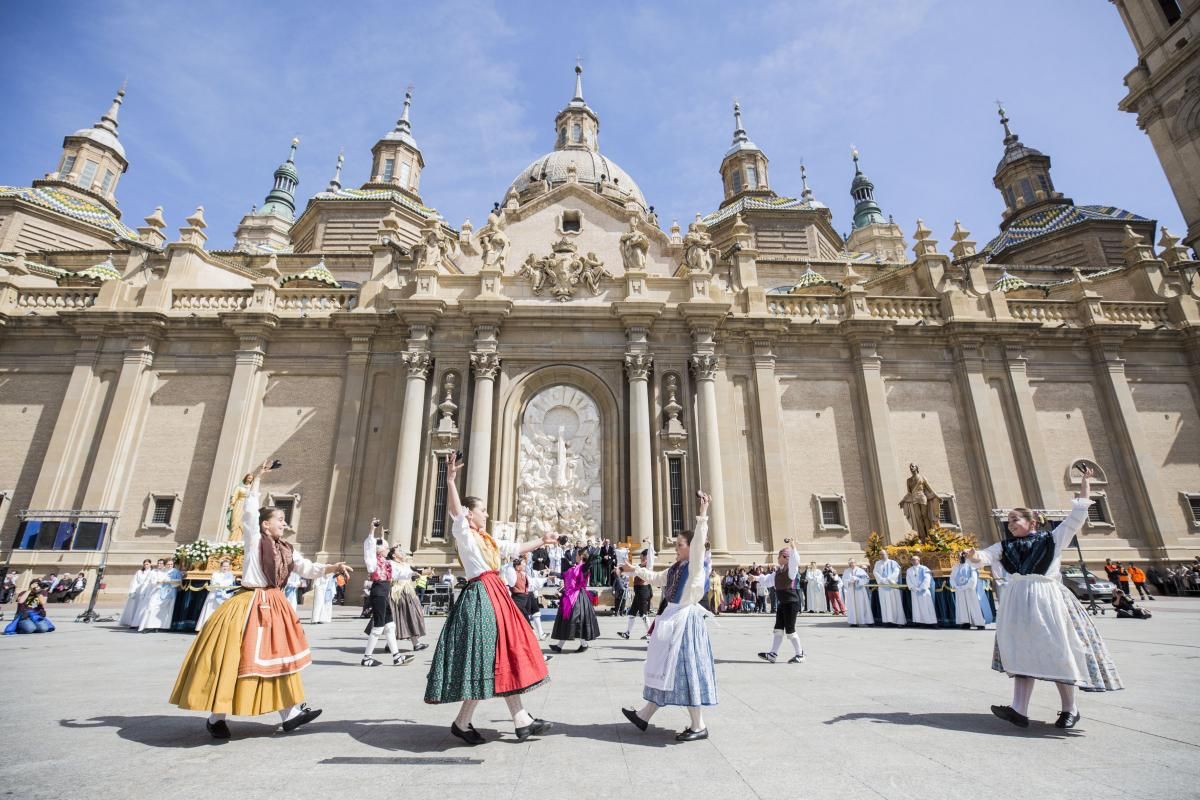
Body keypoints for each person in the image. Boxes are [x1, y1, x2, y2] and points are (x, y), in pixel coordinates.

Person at [169, 459, 354, 740]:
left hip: (274, 605)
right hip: (249, 606)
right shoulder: (255, 540)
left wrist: (334, 567)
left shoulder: (286, 549)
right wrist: (257, 478)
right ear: (265, 525)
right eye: (280, 519)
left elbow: (307, 569)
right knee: (236, 661)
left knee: (278, 659)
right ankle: (217, 716)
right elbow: (249, 510)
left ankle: (290, 713)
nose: (285, 523)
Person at [967, 464, 1122, 729]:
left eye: (1017, 519)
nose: (1011, 524)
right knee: (1020, 653)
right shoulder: (1004, 546)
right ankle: (1018, 709)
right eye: (1009, 520)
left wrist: (1085, 483)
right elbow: (983, 557)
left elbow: (1077, 515)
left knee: (1058, 651)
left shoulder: (1052, 539)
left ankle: (1070, 709)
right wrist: (971, 556)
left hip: (1047, 600)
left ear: (1033, 522)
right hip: (1018, 604)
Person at [424, 453, 553, 745]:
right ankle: (515, 720)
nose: (486, 514)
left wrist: (543, 541)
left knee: (496, 657)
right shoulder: (465, 534)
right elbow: (457, 513)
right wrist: (450, 481)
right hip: (482, 596)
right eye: (482, 510)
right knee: (490, 657)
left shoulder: (489, 540)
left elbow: (517, 546)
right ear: (471, 514)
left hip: (495, 595)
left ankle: (510, 721)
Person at [620, 492, 716, 742]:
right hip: (672, 619)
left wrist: (702, 514)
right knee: (663, 667)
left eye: (679, 545)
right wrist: (634, 570)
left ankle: (698, 726)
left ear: (690, 548)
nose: (676, 549)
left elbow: (699, 543)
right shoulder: (677, 567)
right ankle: (644, 715)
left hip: (685, 622)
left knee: (685, 671)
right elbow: (658, 579)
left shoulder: (696, 567)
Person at [360, 520, 415, 667]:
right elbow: (369, 547)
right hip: (378, 593)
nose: (387, 549)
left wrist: (415, 573)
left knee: (390, 626)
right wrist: (372, 531)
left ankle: (397, 657)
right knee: (378, 626)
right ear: (379, 550)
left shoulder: (387, 563)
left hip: (384, 594)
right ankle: (367, 658)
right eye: (385, 547)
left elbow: (401, 571)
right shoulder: (373, 562)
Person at [757, 539, 804, 663]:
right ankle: (773, 654)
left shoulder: (791, 570)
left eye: (779, 556)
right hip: (783, 603)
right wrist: (755, 577)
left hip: (791, 602)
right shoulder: (778, 572)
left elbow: (795, 561)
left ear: (785, 557)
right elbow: (767, 580)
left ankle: (800, 654)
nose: (777, 558)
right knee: (778, 629)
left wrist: (793, 546)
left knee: (790, 630)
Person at [550, 546, 601, 652]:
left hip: (578, 598)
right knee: (568, 621)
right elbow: (562, 575)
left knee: (575, 621)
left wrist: (597, 547)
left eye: (576, 555)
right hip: (569, 597)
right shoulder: (573, 568)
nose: (575, 556)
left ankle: (582, 644)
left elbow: (590, 560)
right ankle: (560, 646)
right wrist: (550, 572)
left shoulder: (583, 568)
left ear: (581, 556)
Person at [386, 545, 428, 652]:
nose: (402, 552)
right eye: (399, 551)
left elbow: (412, 573)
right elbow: (395, 575)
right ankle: (412, 643)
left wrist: (420, 573)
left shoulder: (405, 564)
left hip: (408, 592)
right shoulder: (391, 563)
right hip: (398, 593)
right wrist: (411, 573)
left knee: (411, 616)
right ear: (394, 555)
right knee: (398, 617)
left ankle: (415, 643)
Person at [618, 541, 655, 640]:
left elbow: (651, 556)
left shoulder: (648, 566)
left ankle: (650, 634)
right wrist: (621, 572)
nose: (640, 557)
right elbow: (631, 573)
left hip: (643, 591)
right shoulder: (639, 566)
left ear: (645, 556)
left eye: (642, 556)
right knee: (632, 613)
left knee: (644, 614)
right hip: (638, 592)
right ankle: (627, 633)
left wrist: (650, 544)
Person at [505, 555, 548, 639]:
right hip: (518, 598)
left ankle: (535, 633)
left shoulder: (524, 572)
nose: (524, 564)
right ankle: (531, 634)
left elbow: (533, 578)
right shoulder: (512, 572)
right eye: (523, 562)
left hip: (525, 595)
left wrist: (545, 577)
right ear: (517, 566)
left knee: (529, 614)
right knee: (522, 617)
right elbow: (511, 582)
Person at [139, 559, 182, 632]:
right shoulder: (162, 571)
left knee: (168, 610)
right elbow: (157, 581)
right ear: (165, 565)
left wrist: (168, 582)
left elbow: (178, 582)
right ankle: (152, 626)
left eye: (171, 564)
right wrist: (161, 582)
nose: (170, 566)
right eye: (168, 564)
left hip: (170, 592)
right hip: (160, 593)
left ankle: (165, 626)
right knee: (154, 609)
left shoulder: (176, 571)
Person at [197, 559, 236, 633]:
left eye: (227, 566)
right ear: (221, 566)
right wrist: (221, 585)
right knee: (211, 610)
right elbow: (214, 583)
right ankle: (207, 627)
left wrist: (224, 586)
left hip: (226, 595)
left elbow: (230, 583)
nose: (225, 568)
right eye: (224, 566)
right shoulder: (215, 574)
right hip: (215, 594)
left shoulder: (230, 574)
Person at [950, 553, 986, 630]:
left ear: (966, 556)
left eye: (963, 556)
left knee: (973, 605)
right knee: (962, 606)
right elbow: (952, 578)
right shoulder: (956, 567)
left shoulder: (971, 566)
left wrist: (966, 586)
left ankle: (979, 623)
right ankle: (965, 622)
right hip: (959, 589)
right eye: (959, 556)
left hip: (969, 589)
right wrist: (956, 586)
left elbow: (973, 578)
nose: (961, 558)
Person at [872, 552, 906, 627]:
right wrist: (882, 580)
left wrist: (888, 579)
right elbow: (875, 572)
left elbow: (896, 572)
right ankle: (888, 621)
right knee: (885, 604)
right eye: (880, 554)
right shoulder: (877, 563)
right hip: (882, 586)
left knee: (895, 604)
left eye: (884, 554)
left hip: (892, 586)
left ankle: (899, 622)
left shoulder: (893, 562)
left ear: (887, 554)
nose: (882, 556)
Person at [119, 559, 154, 628]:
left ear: (150, 564)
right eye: (144, 564)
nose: (146, 565)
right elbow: (135, 582)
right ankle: (133, 622)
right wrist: (132, 591)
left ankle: (140, 623)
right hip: (138, 591)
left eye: (147, 564)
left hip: (146, 591)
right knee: (134, 607)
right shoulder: (139, 572)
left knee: (142, 608)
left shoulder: (152, 572)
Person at [906, 556, 936, 627]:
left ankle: (932, 622)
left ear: (918, 560)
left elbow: (927, 578)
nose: (913, 561)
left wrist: (921, 588)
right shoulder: (909, 570)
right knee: (917, 607)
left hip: (924, 591)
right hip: (914, 591)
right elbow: (908, 580)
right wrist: (913, 588)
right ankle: (921, 622)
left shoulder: (924, 568)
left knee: (927, 606)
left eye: (914, 560)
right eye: (912, 560)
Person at [842, 559, 873, 627]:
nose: (852, 564)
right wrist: (849, 581)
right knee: (852, 606)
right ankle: (854, 622)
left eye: (853, 562)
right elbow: (843, 580)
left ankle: (867, 621)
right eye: (850, 563)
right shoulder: (846, 571)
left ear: (855, 563)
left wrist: (857, 579)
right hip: (851, 591)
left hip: (860, 591)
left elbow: (866, 579)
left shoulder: (860, 570)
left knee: (862, 605)